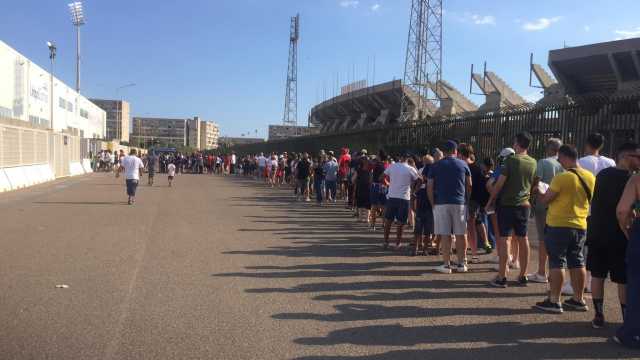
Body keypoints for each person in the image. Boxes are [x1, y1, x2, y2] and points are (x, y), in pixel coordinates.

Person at [535, 144, 595, 313]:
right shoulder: (590, 177)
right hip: (580, 224)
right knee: (577, 261)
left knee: (557, 261)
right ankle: (579, 299)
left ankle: (554, 300)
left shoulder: (562, 177)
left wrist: (540, 192)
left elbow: (546, 199)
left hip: (559, 224)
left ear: (566, 157)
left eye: (560, 158)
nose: (559, 161)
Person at [588, 143, 640, 328]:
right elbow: (625, 211)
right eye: (637, 158)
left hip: (597, 231)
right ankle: (626, 317)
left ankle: (598, 314)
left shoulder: (602, 175)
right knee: (622, 278)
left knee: (597, 274)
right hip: (619, 234)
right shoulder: (631, 178)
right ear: (626, 157)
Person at [487, 132, 537, 288]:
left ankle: (502, 276)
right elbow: (535, 183)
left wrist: (490, 201)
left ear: (517, 143)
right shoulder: (533, 162)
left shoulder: (511, 161)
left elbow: (499, 184)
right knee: (523, 238)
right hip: (524, 204)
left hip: (507, 204)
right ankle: (523, 274)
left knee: (505, 239)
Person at [428, 140, 472, 273]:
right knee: (461, 233)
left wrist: (432, 203)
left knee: (445, 234)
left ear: (444, 151)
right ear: (456, 151)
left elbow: (429, 186)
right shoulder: (463, 164)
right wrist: (466, 199)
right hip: (459, 202)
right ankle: (461, 263)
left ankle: (446, 264)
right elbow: (469, 184)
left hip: (441, 202)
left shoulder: (436, 166)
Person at [529, 138, 564, 284]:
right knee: (556, 239)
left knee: (543, 238)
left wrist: (531, 197)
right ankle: (553, 272)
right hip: (559, 205)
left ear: (549, 148)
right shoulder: (564, 164)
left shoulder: (543, 162)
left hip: (543, 204)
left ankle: (541, 272)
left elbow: (536, 183)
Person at [614, 171, 640, 348]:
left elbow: (623, 210)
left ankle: (633, 333)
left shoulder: (636, 178)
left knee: (637, 285)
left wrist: (626, 230)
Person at [459, 143, 490, 263]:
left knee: (466, 228)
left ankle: (471, 254)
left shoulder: (461, 167)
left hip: (466, 200)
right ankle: (473, 254)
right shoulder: (478, 169)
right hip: (474, 202)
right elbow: (483, 187)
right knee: (470, 228)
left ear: (461, 154)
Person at [383, 153, 420, 249]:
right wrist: (415, 191)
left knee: (388, 221)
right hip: (404, 198)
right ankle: (397, 243)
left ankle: (386, 242)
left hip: (392, 196)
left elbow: (381, 177)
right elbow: (420, 179)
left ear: (400, 158)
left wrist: (388, 183)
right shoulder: (410, 168)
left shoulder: (392, 166)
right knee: (401, 222)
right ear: (408, 159)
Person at [414, 154, 435, 256]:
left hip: (421, 199)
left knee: (419, 227)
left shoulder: (420, 170)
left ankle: (416, 249)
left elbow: (417, 184)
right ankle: (424, 249)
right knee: (427, 228)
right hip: (428, 201)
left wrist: (414, 193)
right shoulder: (434, 170)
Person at [370, 151, 390, 231]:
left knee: (374, 206)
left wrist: (388, 183)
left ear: (380, 157)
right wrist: (388, 184)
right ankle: (383, 224)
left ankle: (373, 225)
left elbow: (380, 178)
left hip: (375, 186)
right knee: (384, 206)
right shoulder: (386, 166)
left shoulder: (376, 165)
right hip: (383, 187)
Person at [353, 156, 372, 222]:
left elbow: (353, 179)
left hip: (363, 188)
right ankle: (365, 218)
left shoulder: (360, 170)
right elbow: (353, 179)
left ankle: (363, 218)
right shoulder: (370, 170)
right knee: (364, 203)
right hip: (365, 188)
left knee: (363, 203)